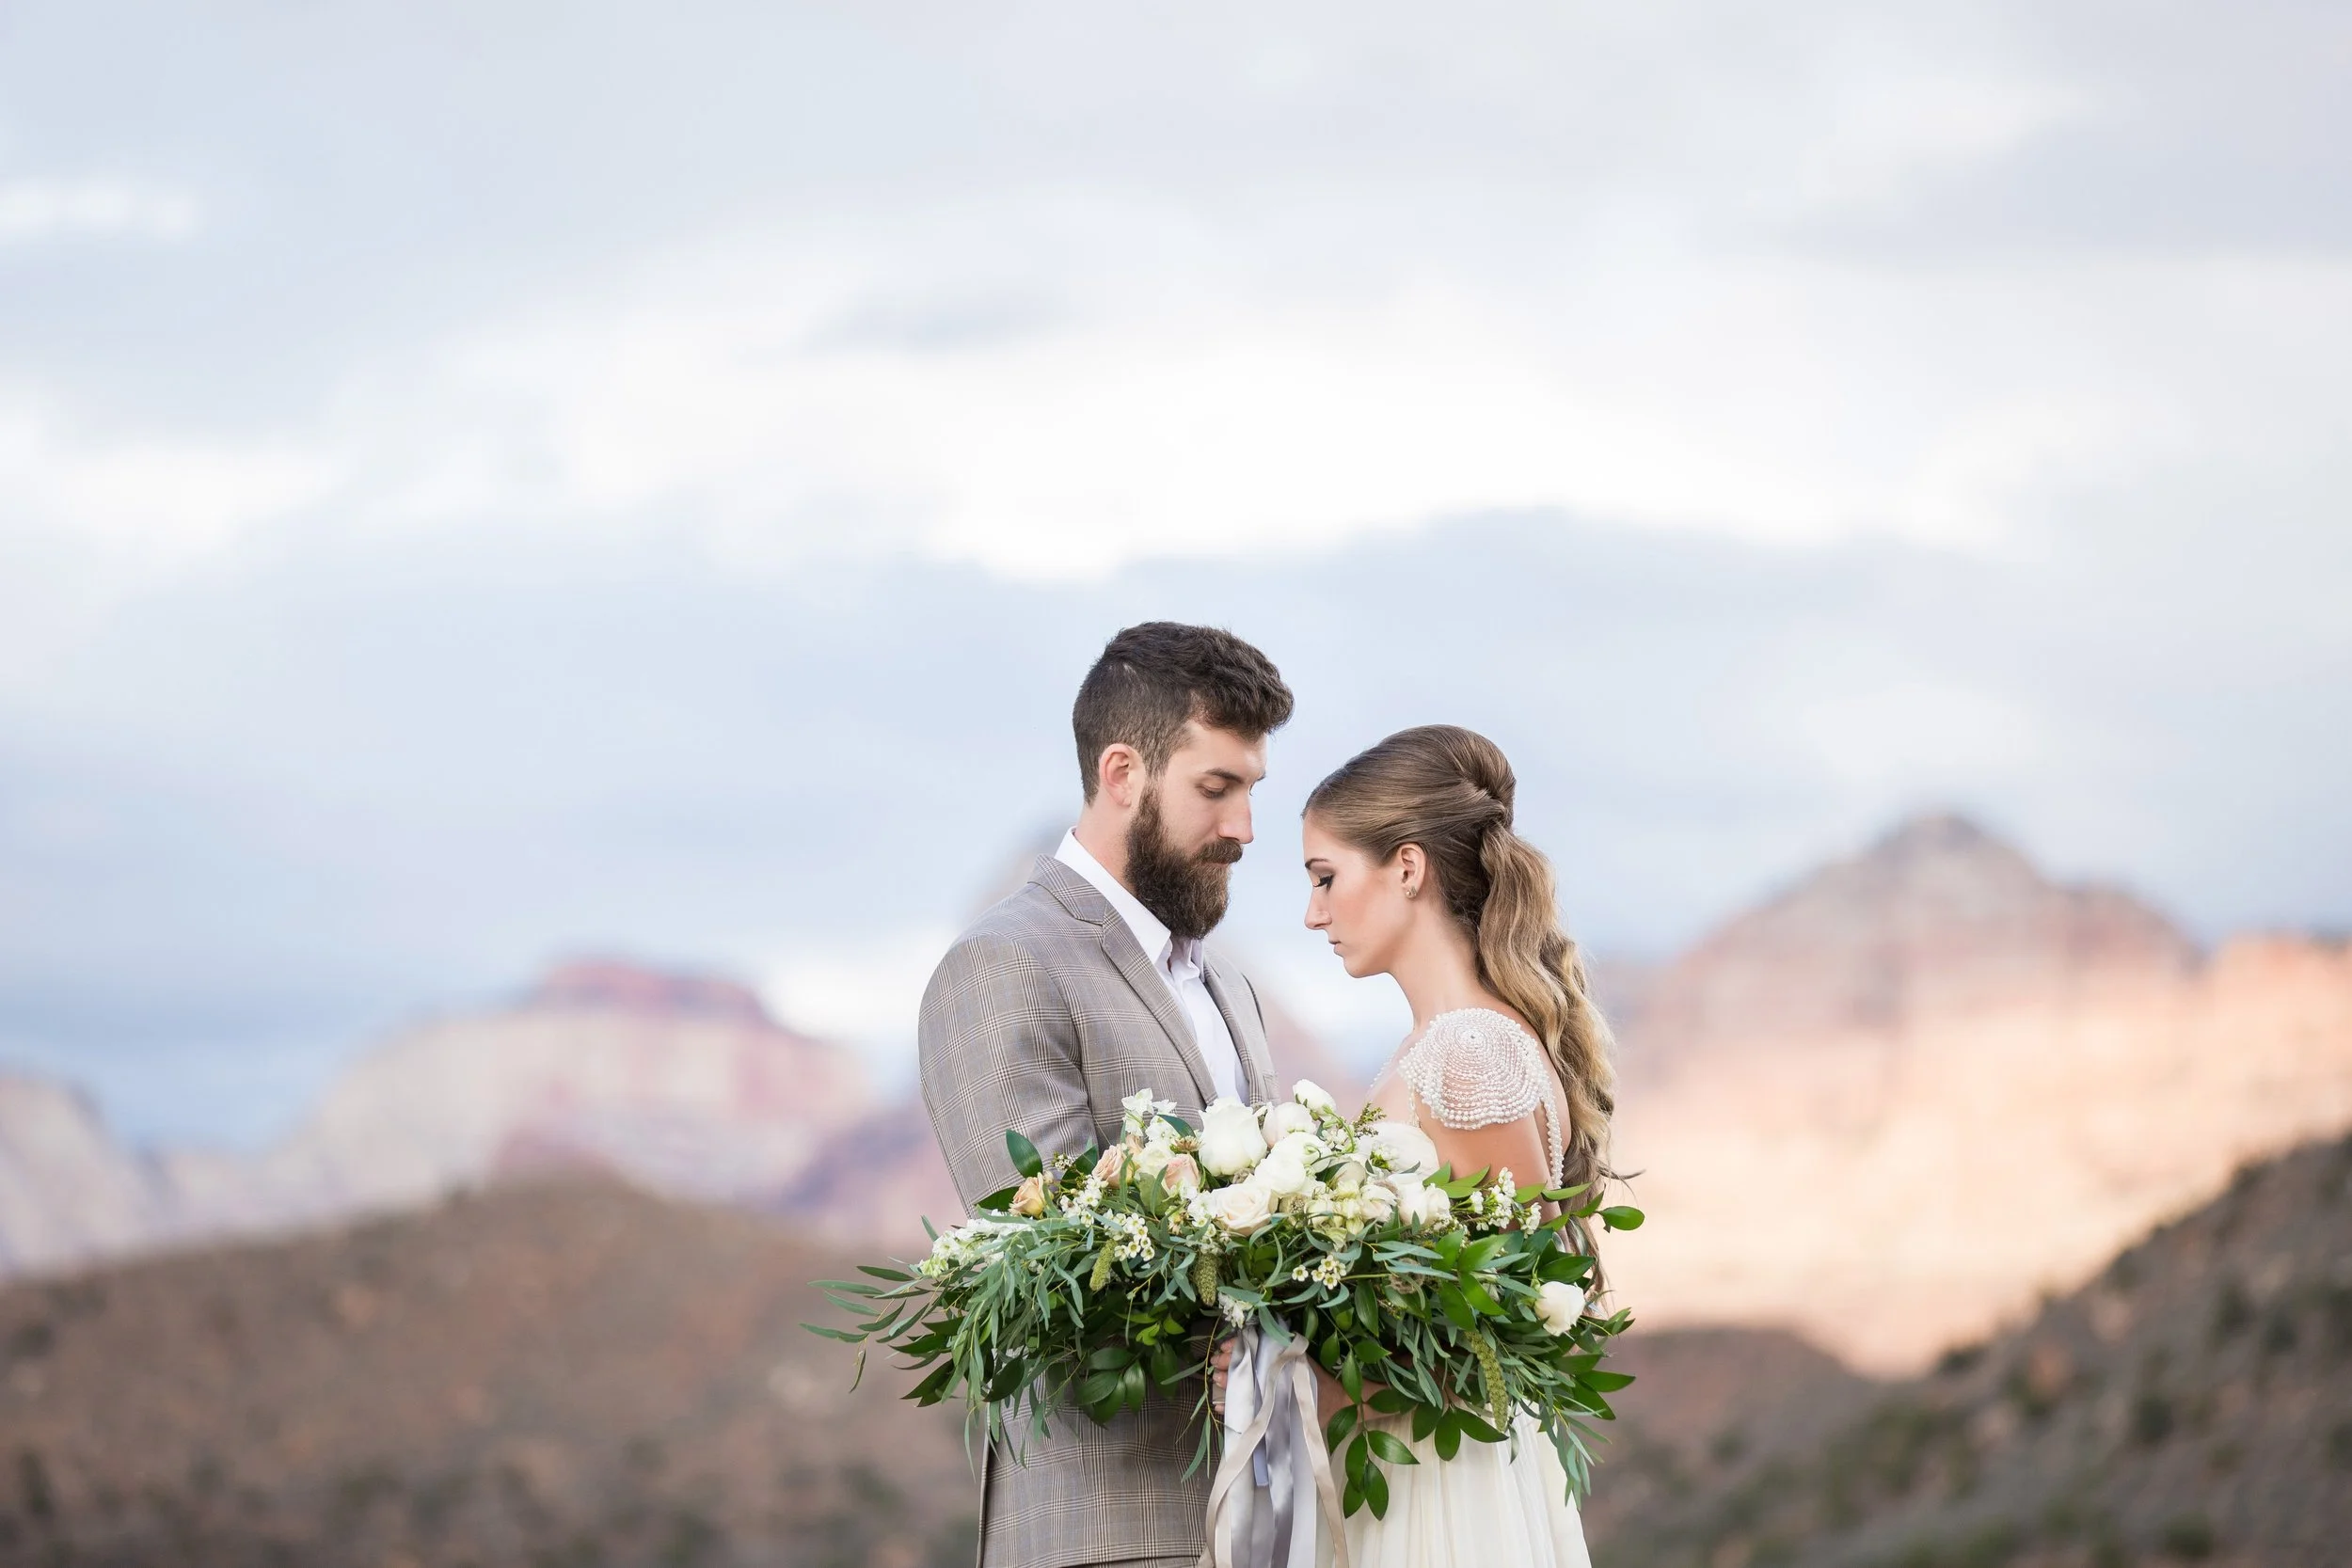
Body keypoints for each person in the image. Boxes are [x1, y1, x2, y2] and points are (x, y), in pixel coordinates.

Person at [920, 622, 1295, 1568]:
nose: (1245, 828)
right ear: (1123, 772)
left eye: (1251, 789)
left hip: (1263, 1522)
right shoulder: (1004, 963)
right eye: (1217, 788)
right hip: (1109, 1530)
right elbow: (1054, 1266)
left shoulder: (1230, 984)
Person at [1297, 723, 1615, 1568]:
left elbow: (1500, 1328)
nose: (1313, 912)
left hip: (1446, 1497)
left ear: (1407, 867)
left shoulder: (1468, 1052)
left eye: (1326, 877)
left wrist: (1310, 1389)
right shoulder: (1437, 1045)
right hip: (1410, 1473)